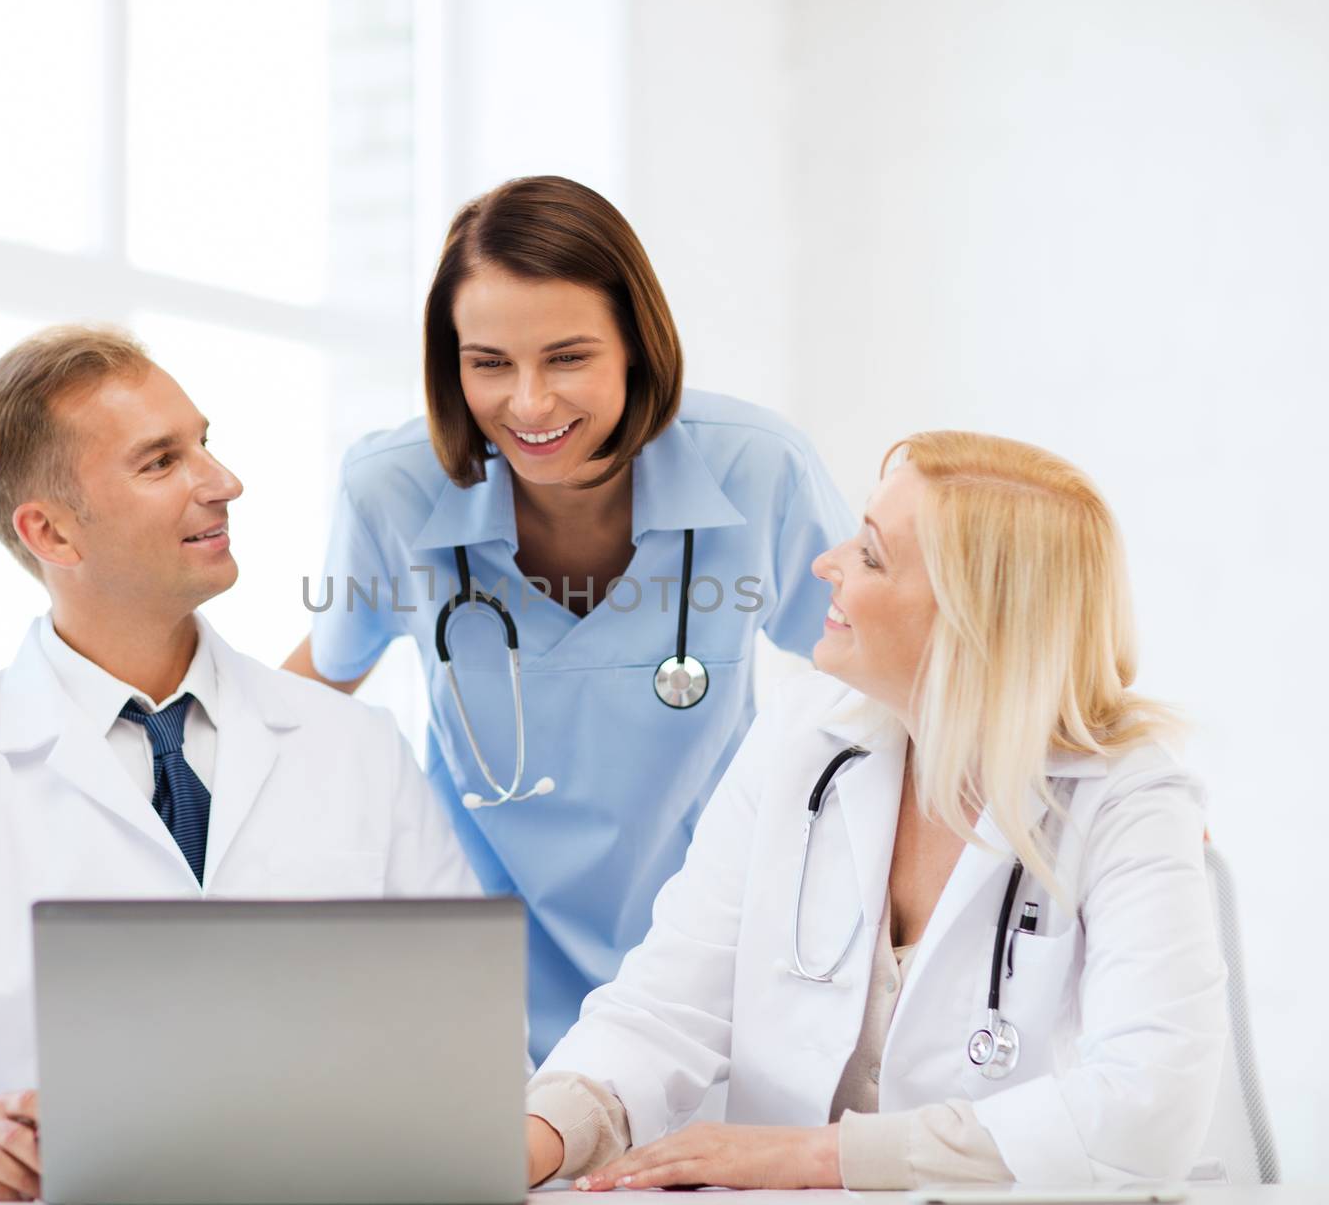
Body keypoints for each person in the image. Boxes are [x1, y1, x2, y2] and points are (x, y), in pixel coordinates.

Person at [0, 326, 479, 1200]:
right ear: (51, 532)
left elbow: (472, 1033)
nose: (222, 483)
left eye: (204, 442)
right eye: (161, 462)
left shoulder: (357, 748)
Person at [521, 431, 1227, 1190]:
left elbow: (1146, 1106)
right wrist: (540, 1135)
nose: (827, 564)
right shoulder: (803, 733)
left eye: (870, 554)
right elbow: (664, 1009)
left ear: (974, 622)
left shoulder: (1128, 797)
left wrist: (817, 1157)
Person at [283, 176, 852, 1061]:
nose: (530, 404)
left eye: (568, 356)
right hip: (469, 981)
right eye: (489, 363)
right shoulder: (392, 489)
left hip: (707, 972)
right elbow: (314, 694)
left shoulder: (757, 469)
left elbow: (884, 677)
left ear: (638, 344)